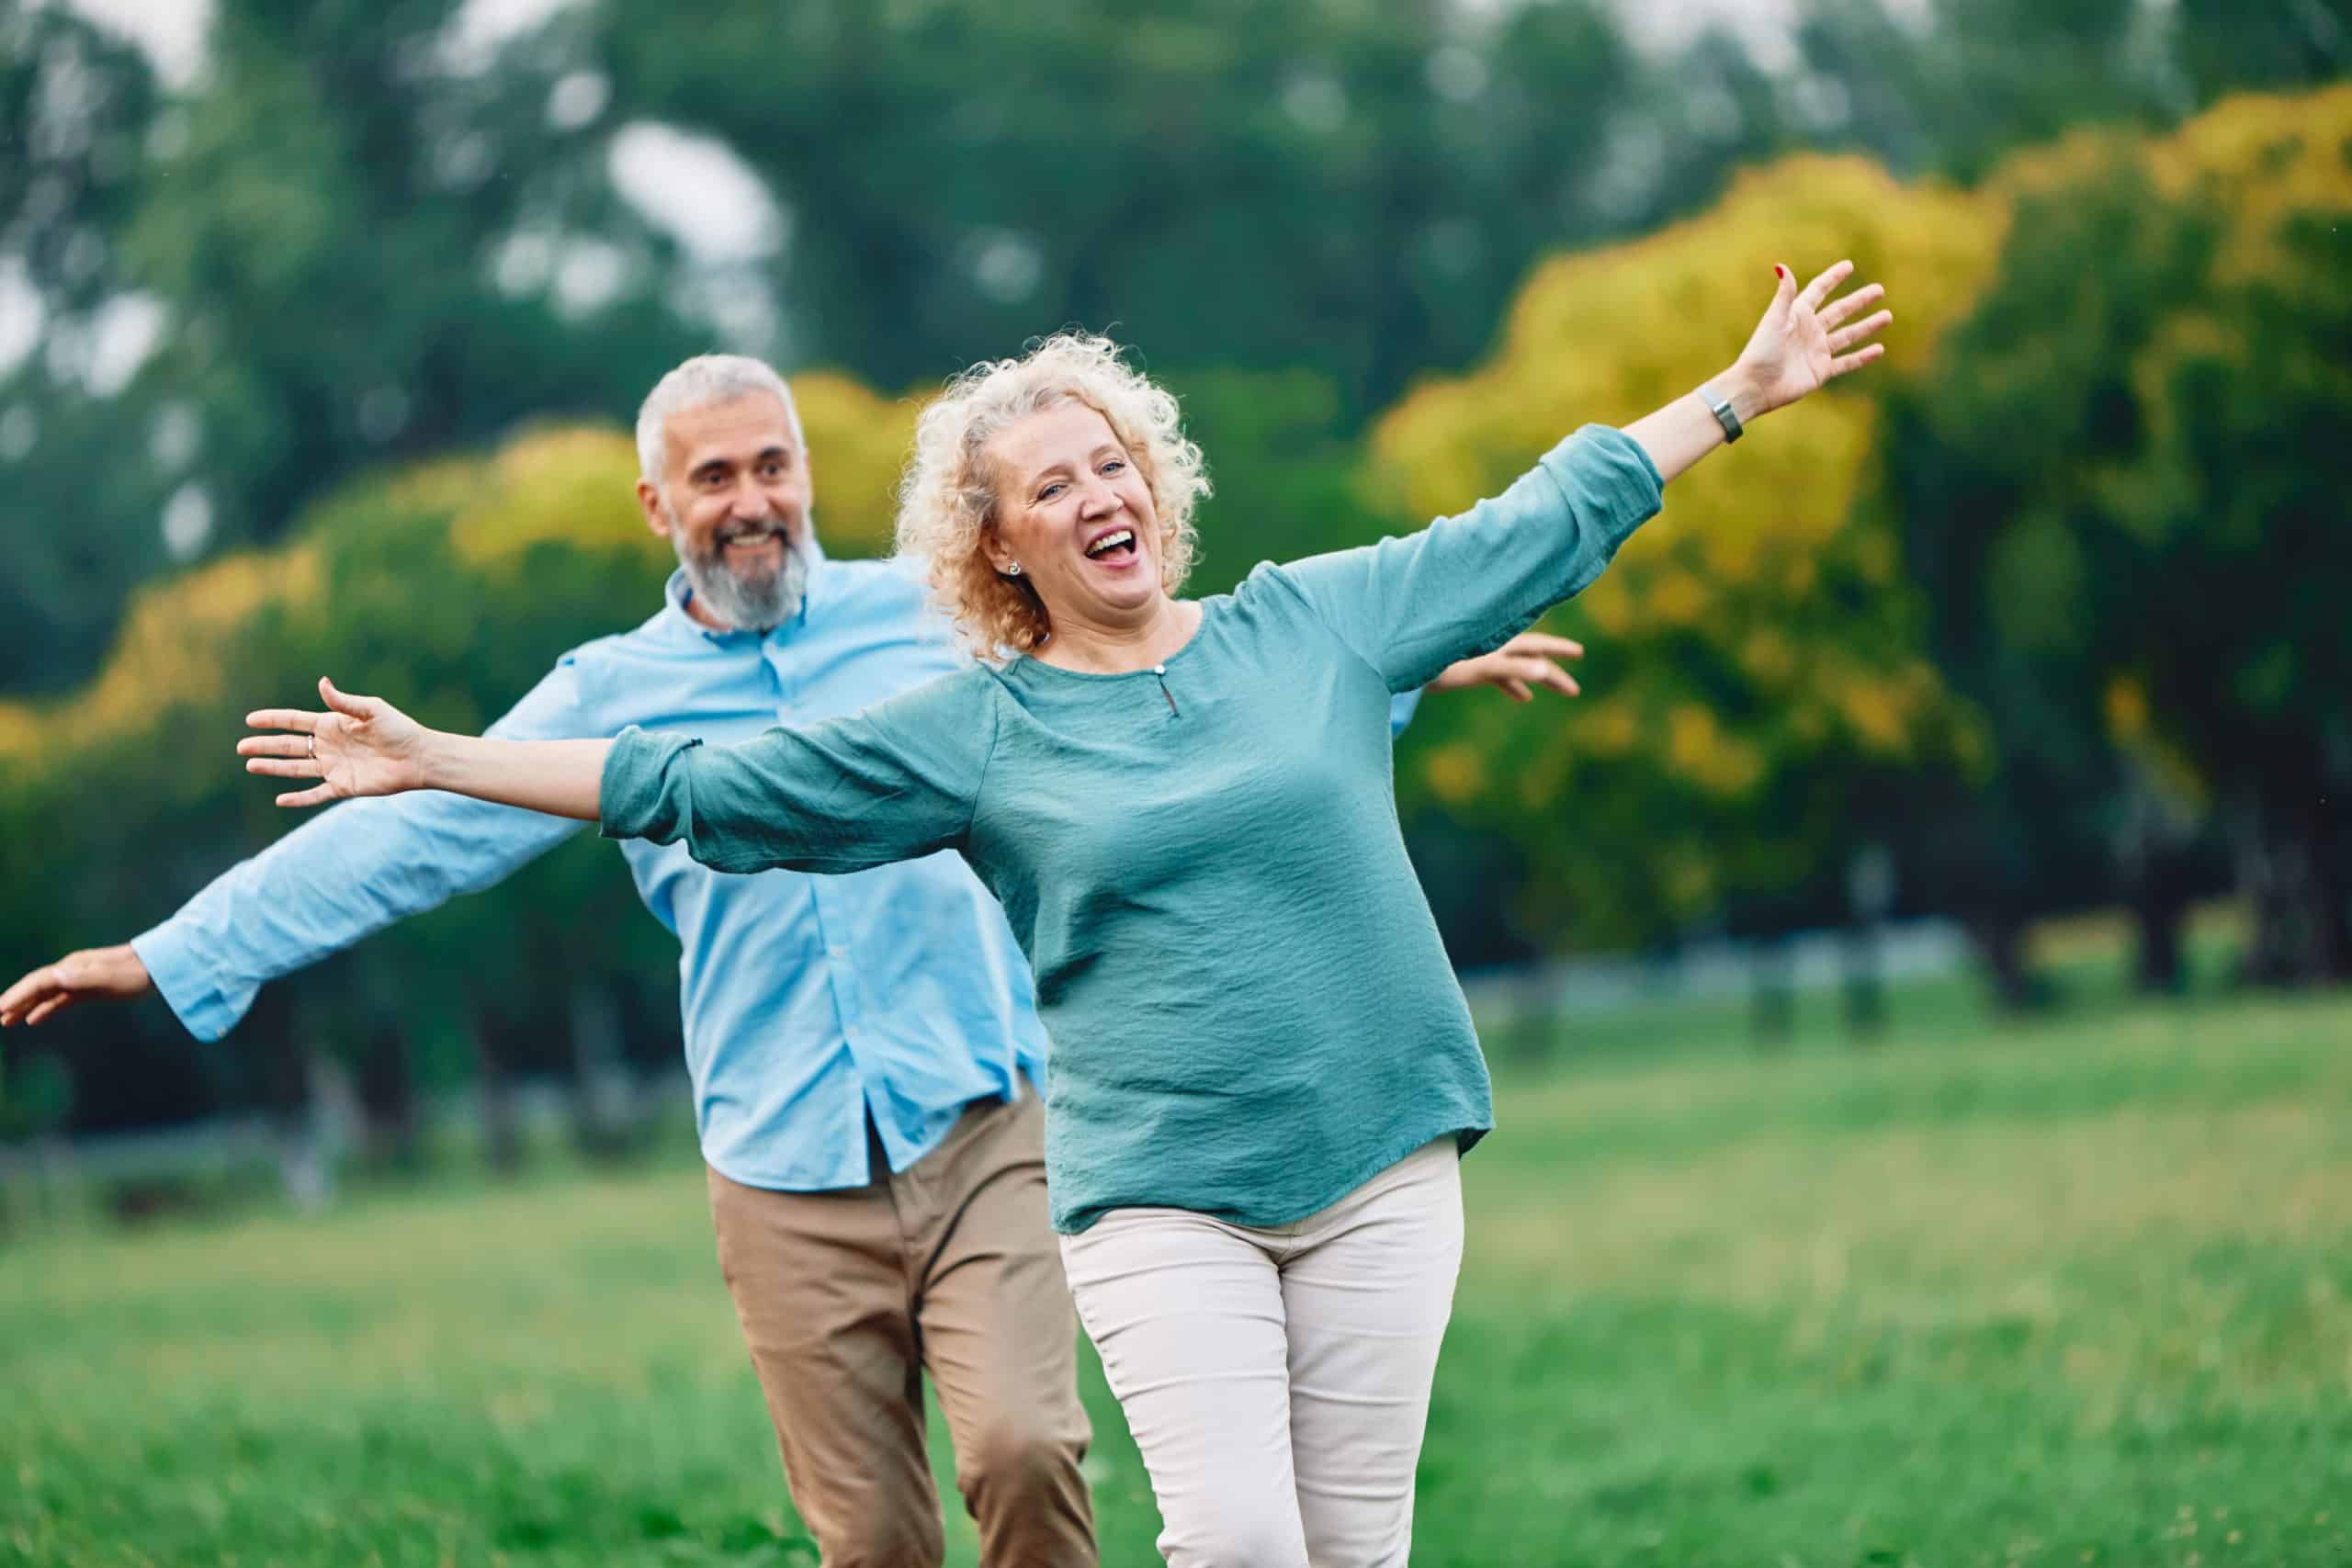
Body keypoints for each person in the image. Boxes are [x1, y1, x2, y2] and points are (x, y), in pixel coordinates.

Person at [217, 256, 1887, 1566]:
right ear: (1002, 546)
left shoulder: (1310, 626)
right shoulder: (976, 726)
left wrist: (1734, 397)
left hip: (1382, 1163)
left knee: (1352, 1555)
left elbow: (1538, 522)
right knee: (1237, 1544)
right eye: (1051, 486)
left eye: (1114, 463)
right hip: (1161, 1194)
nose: (1099, 496)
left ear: (1151, 484)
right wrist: (439, 756)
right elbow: (706, 788)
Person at [0, 354, 1587, 1567]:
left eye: (773, 464)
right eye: (713, 477)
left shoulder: (953, 624)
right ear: (659, 507)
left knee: (1034, 1454)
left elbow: (1174, 689)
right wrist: (171, 953)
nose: (750, 497)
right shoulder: (604, 689)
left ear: (809, 475)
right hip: (779, 1160)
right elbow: (413, 821)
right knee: (876, 1544)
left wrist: (1413, 663)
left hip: (986, 1123)